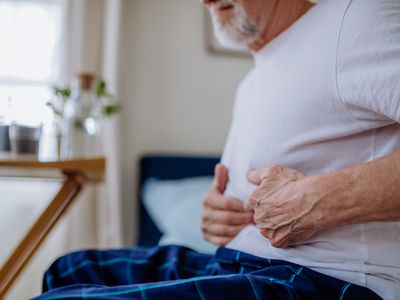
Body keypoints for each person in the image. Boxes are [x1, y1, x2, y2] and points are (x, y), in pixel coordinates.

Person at [35, 0, 399, 299]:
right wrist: (216, 217)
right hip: (236, 263)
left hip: (328, 283)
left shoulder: (355, 20)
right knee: (67, 270)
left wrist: (318, 198)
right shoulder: (252, 80)